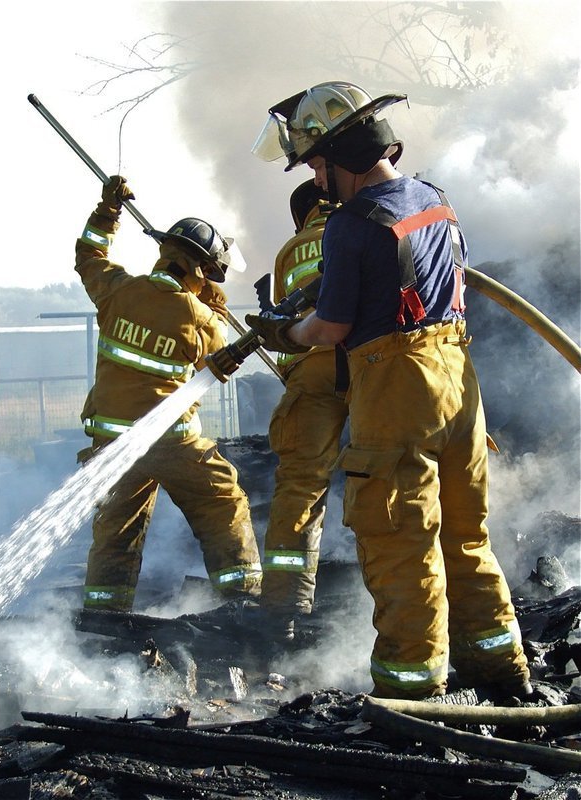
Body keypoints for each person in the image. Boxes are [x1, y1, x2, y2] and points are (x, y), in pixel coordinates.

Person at [247, 81, 531, 700]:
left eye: (318, 164)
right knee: (466, 535)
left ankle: (412, 693)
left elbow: (332, 328)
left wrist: (284, 332)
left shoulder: (351, 225)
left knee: (400, 541)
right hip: (458, 378)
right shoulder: (435, 198)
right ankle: (503, 674)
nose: (317, 181)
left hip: (398, 389)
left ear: (343, 155)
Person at [76, 175, 262, 612]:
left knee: (115, 531)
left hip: (111, 442)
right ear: (202, 271)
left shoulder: (117, 290)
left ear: (165, 254)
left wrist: (108, 211)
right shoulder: (198, 316)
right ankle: (241, 599)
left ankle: (104, 615)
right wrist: (213, 306)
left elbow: (89, 254)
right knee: (222, 503)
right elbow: (216, 365)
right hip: (171, 441)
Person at [257, 180, 349, 637]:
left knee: (301, 489)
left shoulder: (291, 250)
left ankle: (283, 611)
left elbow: (282, 324)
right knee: (393, 478)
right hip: (374, 364)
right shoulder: (367, 228)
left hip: (311, 371)